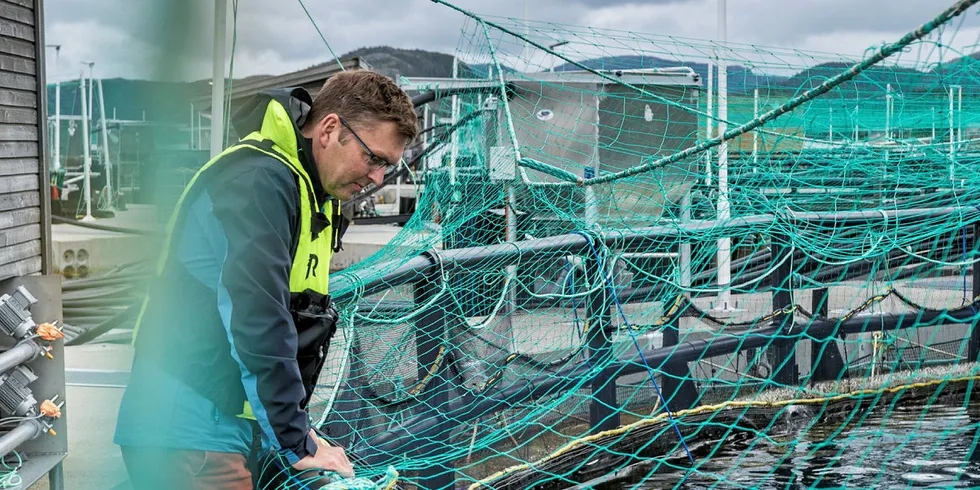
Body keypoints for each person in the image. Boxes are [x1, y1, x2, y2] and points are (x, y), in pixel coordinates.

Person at [114, 70, 419, 489]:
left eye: (389, 166)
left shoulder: (308, 189)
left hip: (233, 422)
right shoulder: (257, 184)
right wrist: (299, 444)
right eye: (375, 158)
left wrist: (297, 432)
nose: (378, 179)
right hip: (188, 428)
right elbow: (258, 318)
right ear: (330, 130)